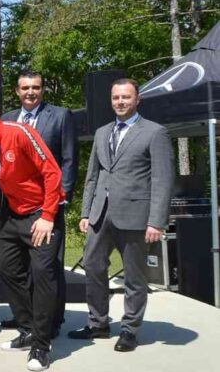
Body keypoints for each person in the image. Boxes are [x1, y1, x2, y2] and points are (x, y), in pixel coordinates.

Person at [0, 95, 64, 371]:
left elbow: (52, 172)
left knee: (42, 275)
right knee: (7, 270)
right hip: (14, 215)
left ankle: (41, 345)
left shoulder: (19, 132)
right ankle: (28, 329)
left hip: (42, 214)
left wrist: (48, 216)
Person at [73, 79, 173, 352]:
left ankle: (130, 330)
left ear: (137, 99)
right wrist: (85, 211)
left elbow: (163, 180)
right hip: (100, 214)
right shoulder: (102, 132)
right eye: (116, 97)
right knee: (92, 266)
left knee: (134, 276)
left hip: (135, 215)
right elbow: (93, 175)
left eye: (126, 97)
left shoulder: (155, 132)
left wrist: (156, 221)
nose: (120, 102)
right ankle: (98, 323)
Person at [0, 71, 77, 335]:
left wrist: (60, 200)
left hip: (47, 204)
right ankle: (26, 316)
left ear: (43, 89)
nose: (30, 92)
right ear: (17, 91)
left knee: (47, 267)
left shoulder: (61, 116)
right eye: (25, 88)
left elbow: (69, 159)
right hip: (14, 207)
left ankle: (52, 321)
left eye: (35, 87)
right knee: (17, 266)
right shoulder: (7, 119)